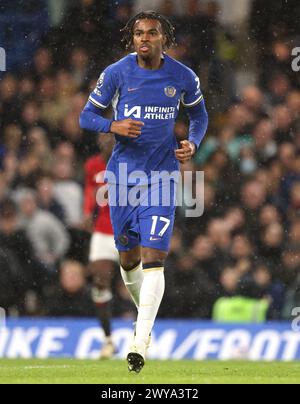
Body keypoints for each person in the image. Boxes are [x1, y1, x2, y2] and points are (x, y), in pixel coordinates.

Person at [80, 10, 208, 373]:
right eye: (139, 33)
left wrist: (193, 144)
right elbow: (85, 117)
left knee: (154, 258)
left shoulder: (182, 76)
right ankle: (145, 320)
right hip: (121, 180)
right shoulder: (117, 72)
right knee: (128, 260)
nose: (144, 39)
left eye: (152, 33)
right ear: (132, 38)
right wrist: (112, 125)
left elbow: (200, 117)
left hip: (163, 178)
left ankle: (140, 341)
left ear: (163, 38)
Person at [84, 135, 119, 359]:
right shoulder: (92, 166)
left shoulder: (131, 161)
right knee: (99, 281)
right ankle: (108, 340)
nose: (107, 142)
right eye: (103, 137)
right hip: (103, 230)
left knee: (139, 284)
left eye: (111, 138)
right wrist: (87, 212)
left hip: (129, 232)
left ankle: (143, 333)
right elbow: (90, 191)